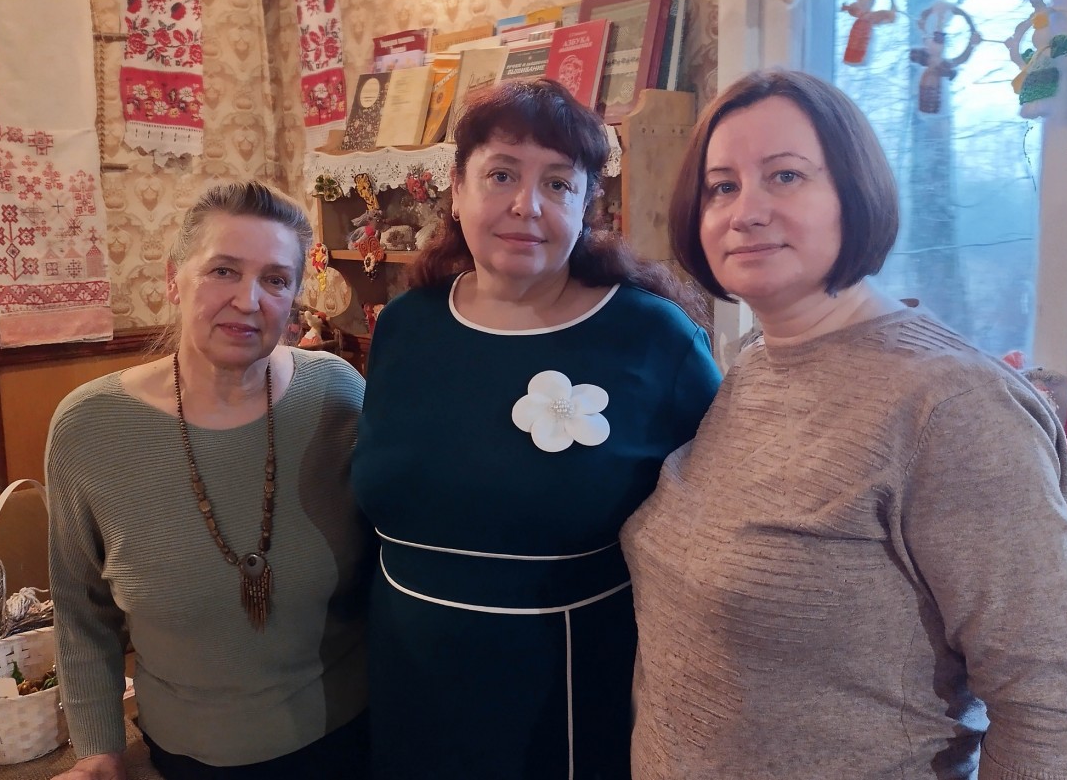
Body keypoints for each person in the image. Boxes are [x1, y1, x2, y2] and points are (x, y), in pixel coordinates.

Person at [621, 69, 1067, 779]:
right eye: (722, 186)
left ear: (856, 192)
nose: (745, 212)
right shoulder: (754, 364)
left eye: (785, 176)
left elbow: (1044, 712)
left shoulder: (954, 406)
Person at [351, 78, 722, 778]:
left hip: (568, 697)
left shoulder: (652, 339)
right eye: (501, 175)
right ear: (456, 189)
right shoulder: (406, 325)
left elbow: (721, 533)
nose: (528, 205)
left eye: (558, 183)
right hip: (408, 681)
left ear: (587, 204)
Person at [47, 182, 370, 780]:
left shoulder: (339, 396)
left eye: (275, 279)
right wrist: (99, 750)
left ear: (294, 297)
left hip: (350, 739)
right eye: (224, 271)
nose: (248, 300)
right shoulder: (88, 428)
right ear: (174, 279)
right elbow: (81, 610)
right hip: (185, 756)